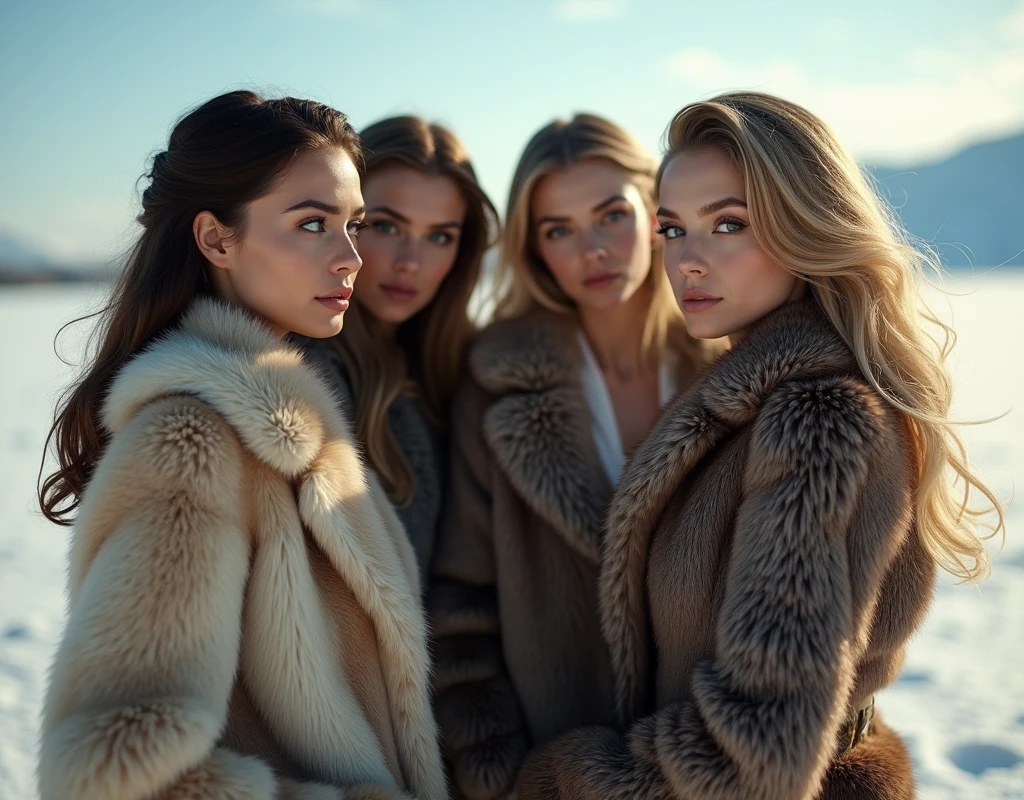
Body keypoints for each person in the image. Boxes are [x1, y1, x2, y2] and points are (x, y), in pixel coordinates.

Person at [515, 91, 1005, 800]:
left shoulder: (816, 417)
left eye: (729, 224)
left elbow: (754, 751)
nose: (688, 259)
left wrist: (563, 780)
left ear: (805, 224)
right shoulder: (750, 390)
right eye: (674, 229)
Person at [36, 90, 446, 800]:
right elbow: (110, 769)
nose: (353, 258)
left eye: (354, 224)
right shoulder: (190, 440)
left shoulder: (286, 418)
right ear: (218, 239)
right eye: (313, 223)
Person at [429, 113, 714, 800]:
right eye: (558, 229)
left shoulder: (728, 368)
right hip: (556, 780)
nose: (592, 249)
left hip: (713, 772)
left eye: (611, 214)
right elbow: (460, 606)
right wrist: (498, 773)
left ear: (655, 211)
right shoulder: (497, 382)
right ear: (535, 250)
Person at [298, 116, 497, 582]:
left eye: (440, 237)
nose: (410, 263)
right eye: (385, 226)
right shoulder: (302, 380)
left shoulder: (465, 373)